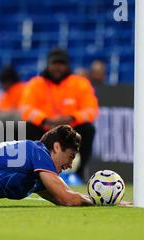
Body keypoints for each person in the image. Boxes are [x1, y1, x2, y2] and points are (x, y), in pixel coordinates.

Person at [19, 48, 99, 181]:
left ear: (67, 65)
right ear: (48, 64)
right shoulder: (36, 84)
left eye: (61, 64)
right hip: (45, 129)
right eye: (54, 63)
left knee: (88, 129)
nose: (58, 67)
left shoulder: (80, 83)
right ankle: (33, 173)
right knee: (27, 128)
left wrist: (72, 118)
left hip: (71, 129)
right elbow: (26, 109)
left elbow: (91, 109)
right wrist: (44, 120)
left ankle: (78, 174)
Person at [0, 66, 26, 144]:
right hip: (6, 126)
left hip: (19, 128)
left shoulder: (23, 90)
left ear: (8, 82)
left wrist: (6, 115)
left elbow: (22, 116)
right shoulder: (4, 94)